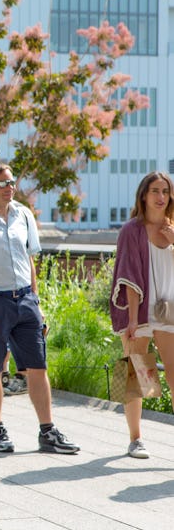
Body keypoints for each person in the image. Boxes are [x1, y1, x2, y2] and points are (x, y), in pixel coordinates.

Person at [0, 163, 79, 455]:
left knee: (38, 367)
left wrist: (36, 303)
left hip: (25, 301)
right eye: (2, 183)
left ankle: (47, 431)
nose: (9, 187)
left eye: (11, 182)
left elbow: (29, 261)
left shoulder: (23, 215)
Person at [109, 171, 174, 459]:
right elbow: (127, 276)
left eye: (166, 191)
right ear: (144, 195)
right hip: (140, 311)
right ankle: (135, 439)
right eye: (155, 191)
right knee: (135, 370)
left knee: (172, 372)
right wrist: (133, 320)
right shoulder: (131, 230)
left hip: (170, 311)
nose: (161, 197)